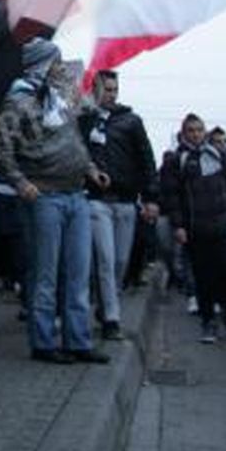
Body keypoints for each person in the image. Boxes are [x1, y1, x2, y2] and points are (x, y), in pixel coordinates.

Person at [0, 38, 110, 365]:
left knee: (78, 273)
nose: (61, 68)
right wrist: (20, 182)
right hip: (44, 196)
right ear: (43, 65)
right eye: (56, 62)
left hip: (76, 194)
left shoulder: (61, 99)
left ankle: (78, 341)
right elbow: (3, 149)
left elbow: (74, 142)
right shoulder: (18, 100)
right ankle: (43, 342)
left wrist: (90, 169)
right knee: (45, 274)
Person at [77, 69, 158, 341]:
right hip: (97, 200)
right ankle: (112, 318)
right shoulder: (85, 121)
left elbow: (146, 159)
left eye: (114, 90)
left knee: (120, 261)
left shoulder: (131, 121)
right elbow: (76, 152)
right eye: (106, 89)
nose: (110, 94)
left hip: (125, 201)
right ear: (95, 90)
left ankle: (106, 307)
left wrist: (151, 197)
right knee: (106, 259)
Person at [161, 114, 226, 344]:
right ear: (184, 133)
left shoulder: (219, 155)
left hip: (224, 223)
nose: (196, 134)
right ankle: (208, 322)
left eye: (199, 130)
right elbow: (172, 196)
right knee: (204, 277)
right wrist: (178, 225)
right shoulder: (177, 160)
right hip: (197, 227)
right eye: (191, 130)